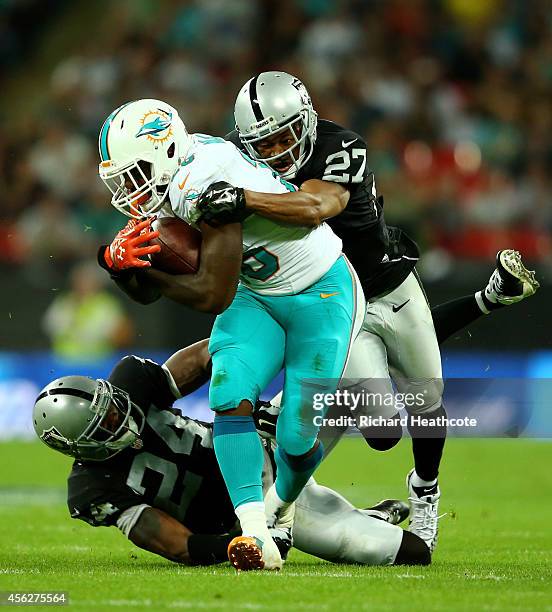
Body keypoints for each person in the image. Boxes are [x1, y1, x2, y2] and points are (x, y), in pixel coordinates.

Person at [196, 71, 539, 552]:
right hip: (335, 298)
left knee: (427, 402)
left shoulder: (340, 145)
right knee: (380, 429)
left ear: (307, 120)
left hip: (389, 284)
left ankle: (424, 494)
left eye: (283, 137)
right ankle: (294, 450)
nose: (274, 152)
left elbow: (318, 204)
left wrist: (245, 198)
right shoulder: (234, 156)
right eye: (263, 143)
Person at [95, 98, 365, 570]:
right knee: (230, 395)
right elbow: (149, 295)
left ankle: (282, 503)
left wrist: (148, 272)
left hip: (319, 291)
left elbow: (210, 295)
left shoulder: (201, 182)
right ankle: (255, 535)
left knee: (296, 440)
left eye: (134, 173)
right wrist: (120, 268)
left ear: (164, 150)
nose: (129, 190)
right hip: (258, 292)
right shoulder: (174, 178)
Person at [32, 343, 430, 569]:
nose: (120, 418)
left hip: (261, 441)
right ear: (77, 446)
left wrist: (240, 359)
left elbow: (211, 355)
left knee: (352, 362)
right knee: (411, 554)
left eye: (114, 406)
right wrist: (241, 545)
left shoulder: (130, 381)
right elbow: (179, 546)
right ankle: (370, 517)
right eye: (106, 424)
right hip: (255, 510)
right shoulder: (91, 489)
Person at [42, 260, 133, 361]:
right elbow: (49, 326)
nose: (83, 284)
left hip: (97, 362)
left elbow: (122, 334)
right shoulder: (64, 302)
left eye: (87, 280)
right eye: (80, 280)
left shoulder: (107, 305)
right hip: (64, 362)